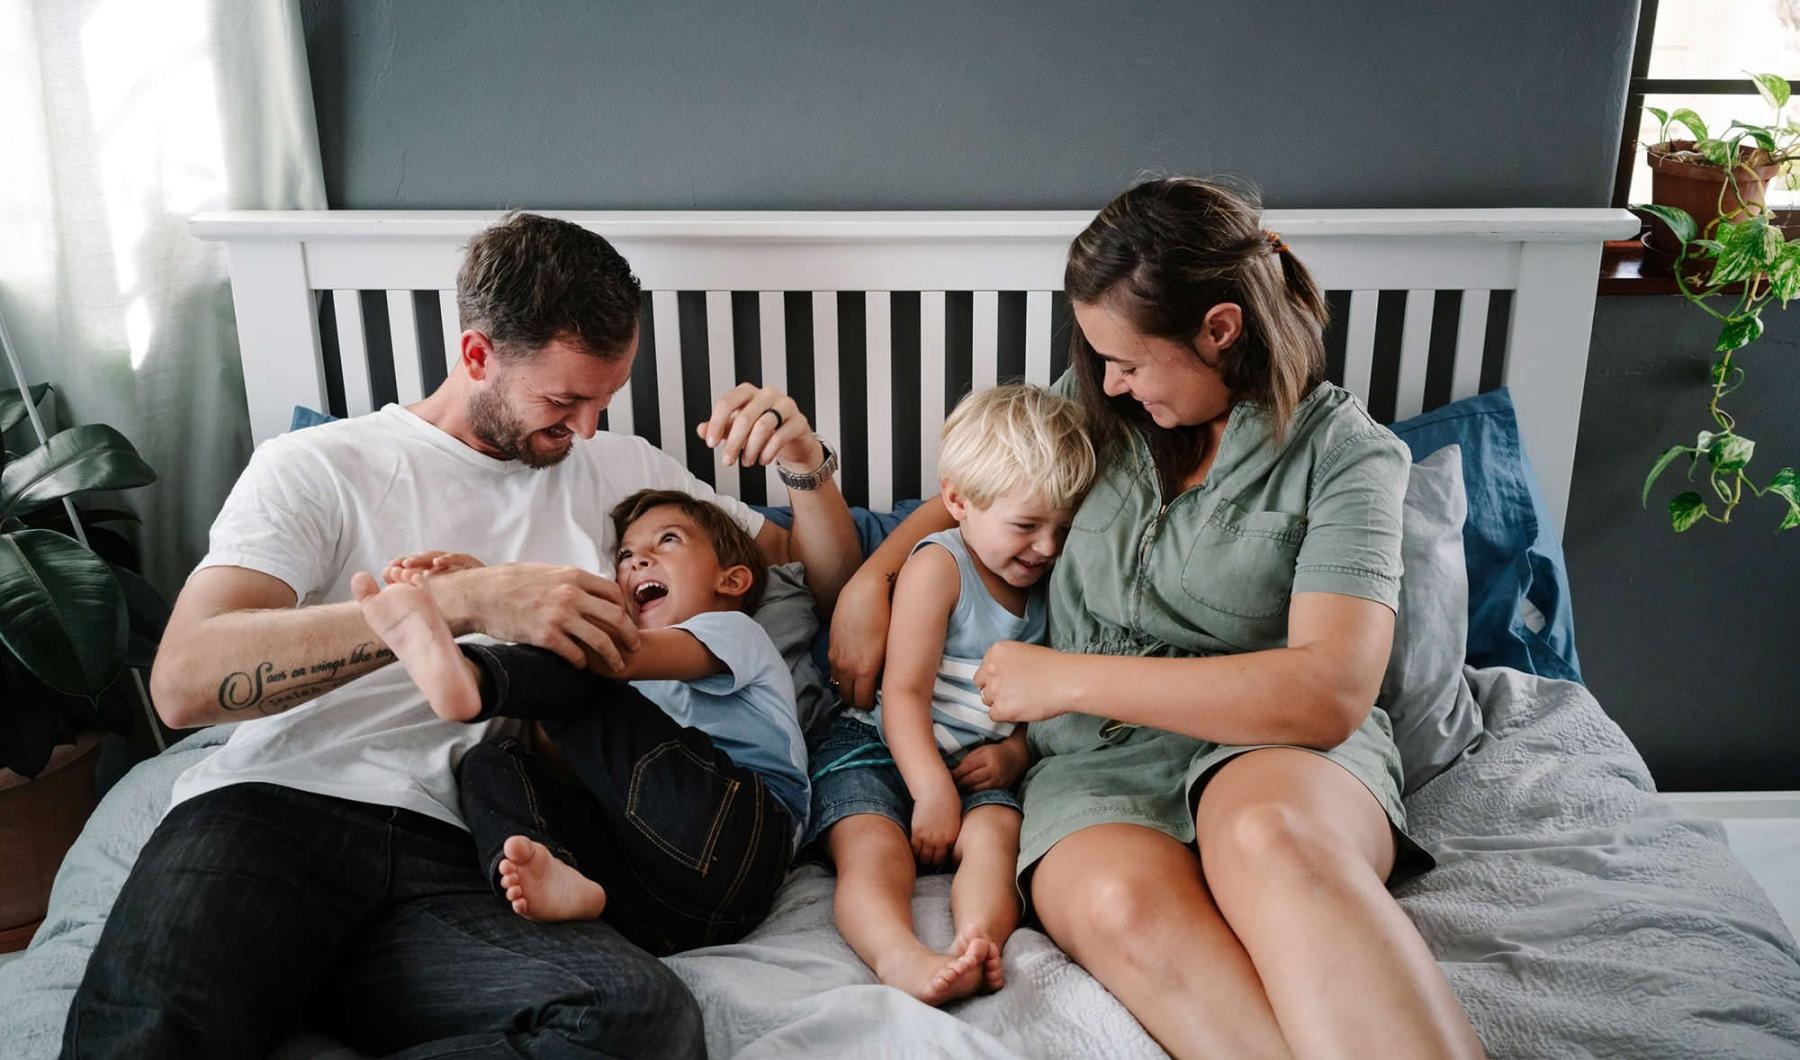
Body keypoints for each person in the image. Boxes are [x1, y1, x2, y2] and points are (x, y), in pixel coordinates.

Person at [65, 212, 859, 1060]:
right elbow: (183, 683)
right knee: (147, 1037)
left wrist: (805, 464)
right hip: (279, 809)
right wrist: (467, 601)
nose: (587, 428)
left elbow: (822, 583)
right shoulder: (322, 466)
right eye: (563, 400)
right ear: (478, 355)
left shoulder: (627, 471)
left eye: (603, 400)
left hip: (477, 848)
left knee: (639, 1022)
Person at [827, 178, 1485, 1059]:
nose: (1107, 381)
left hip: (1272, 745)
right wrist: (876, 574)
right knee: (1119, 906)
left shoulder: (1346, 457)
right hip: (1092, 762)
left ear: (1219, 329)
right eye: (1098, 358)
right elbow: (979, 490)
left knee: (1270, 841)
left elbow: (1328, 691)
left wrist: (1065, 678)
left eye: (1130, 361)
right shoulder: (1099, 407)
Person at [356, 488, 823, 957]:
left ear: (733, 580)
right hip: (661, 911)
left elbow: (614, 660)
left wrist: (496, 597)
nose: (637, 562)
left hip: (745, 839)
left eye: (667, 541)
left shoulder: (736, 632)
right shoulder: (629, 703)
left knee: (584, 665)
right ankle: (552, 869)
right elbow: (569, 739)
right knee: (492, 760)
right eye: (625, 555)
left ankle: (474, 678)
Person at [806, 384, 1095, 1005]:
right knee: (872, 849)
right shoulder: (939, 566)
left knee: (996, 840)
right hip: (884, 744)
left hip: (976, 761)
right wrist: (930, 789)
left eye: (1061, 528)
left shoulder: (1052, 578)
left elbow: (1045, 693)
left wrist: (1016, 754)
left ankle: (977, 942)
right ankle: (898, 955)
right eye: (1027, 525)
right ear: (959, 501)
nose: (1046, 547)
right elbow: (903, 692)